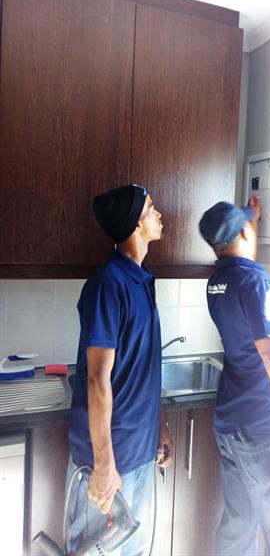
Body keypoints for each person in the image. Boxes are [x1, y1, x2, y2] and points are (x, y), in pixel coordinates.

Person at [199, 197, 270, 556]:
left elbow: (242, 271)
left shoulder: (218, 282)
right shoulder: (257, 285)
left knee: (238, 529)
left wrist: (250, 221)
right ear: (244, 233)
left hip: (233, 427)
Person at [67, 184, 174, 556]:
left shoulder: (143, 279)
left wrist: (159, 425)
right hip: (110, 457)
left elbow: (144, 366)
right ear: (135, 224)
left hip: (140, 450)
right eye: (151, 208)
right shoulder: (108, 285)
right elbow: (97, 379)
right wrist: (103, 465)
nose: (158, 214)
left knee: (133, 550)